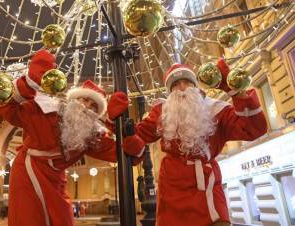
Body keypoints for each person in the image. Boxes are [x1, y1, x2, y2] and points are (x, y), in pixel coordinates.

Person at [0, 50, 143, 226]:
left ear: (96, 115)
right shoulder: (47, 110)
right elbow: (7, 110)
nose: (86, 107)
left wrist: (115, 123)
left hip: (56, 180)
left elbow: (126, 155)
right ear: (73, 100)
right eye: (84, 100)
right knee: (30, 218)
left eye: (93, 107)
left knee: (63, 219)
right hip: (28, 172)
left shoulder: (90, 136)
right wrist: (30, 82)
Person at [111, 60, 267, 226]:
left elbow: (253, 128)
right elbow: (137, 135)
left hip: (208, 190)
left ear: (195, 86)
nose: (182, 87)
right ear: (170, 91)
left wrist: (233, 90)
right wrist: (116, 121)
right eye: (176, 84)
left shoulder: (215, 109)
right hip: (172, 193)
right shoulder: (163, 112)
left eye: (187, 82)